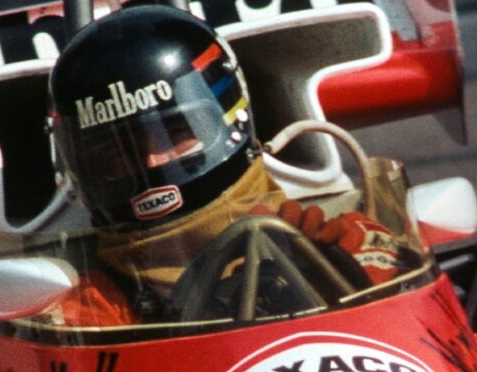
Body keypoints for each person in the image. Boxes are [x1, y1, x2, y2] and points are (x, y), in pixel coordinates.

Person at [43, 4, 411, 327]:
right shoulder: (94, 312)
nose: (153, 163)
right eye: (116, 156)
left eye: (176, 134)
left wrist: (344, 274)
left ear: (231, 119)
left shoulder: (337, 240)